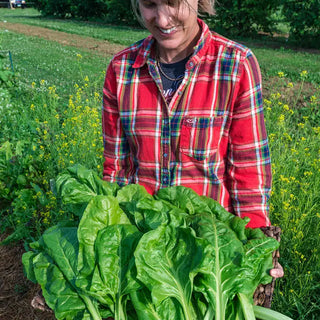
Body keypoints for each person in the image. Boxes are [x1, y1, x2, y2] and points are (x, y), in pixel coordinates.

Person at [102, 0, 283, 278]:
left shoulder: (234, 64)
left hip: (210, 252)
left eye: (174, 3)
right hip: (142, 250)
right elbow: (116, 171)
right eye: (150, 5)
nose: (162, 20)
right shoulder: (122, 69)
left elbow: (249, 170)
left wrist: (257, 247)